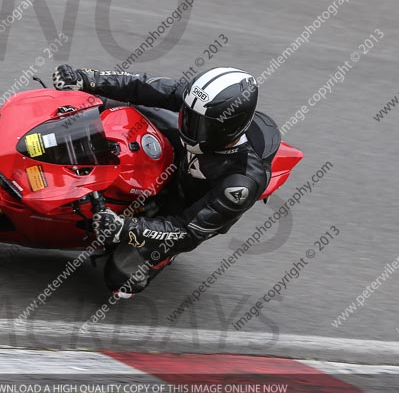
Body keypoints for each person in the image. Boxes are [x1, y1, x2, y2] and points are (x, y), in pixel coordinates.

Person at [51, 65, 269, 297]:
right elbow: (141, 85)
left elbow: (187, 231)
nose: (188, 124)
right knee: (95, 101)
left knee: (121, 278)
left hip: (186, 205)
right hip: (181, 154)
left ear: (228, 128)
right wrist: (86, 79)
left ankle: (160, 258)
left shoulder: (241, 182)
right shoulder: (199, 103)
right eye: (187, 115)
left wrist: (125, 228)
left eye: (199, 123)